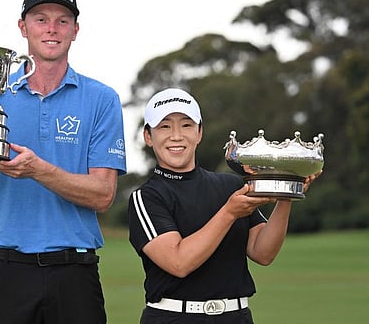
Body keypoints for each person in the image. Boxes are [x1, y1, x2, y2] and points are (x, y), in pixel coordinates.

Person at [0, 0, 126, 324]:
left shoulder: (102, 99)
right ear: (23, 27)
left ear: (75, 30)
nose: (51, 29)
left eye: (62, 21)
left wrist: (38, 170)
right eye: (40, 19)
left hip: (75, 270)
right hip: (8, 270)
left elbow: (103, 195)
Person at [127, 88, 320, 323]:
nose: (176, 136)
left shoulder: (229, 185)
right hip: (174, 316)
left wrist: (286, 195)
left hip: (235, 316)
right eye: (164, 126)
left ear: (199, 133)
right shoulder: (147, 197)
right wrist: (229, 212)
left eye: (187, 125)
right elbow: (179, 262)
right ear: (148, 137)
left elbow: (263, 252)